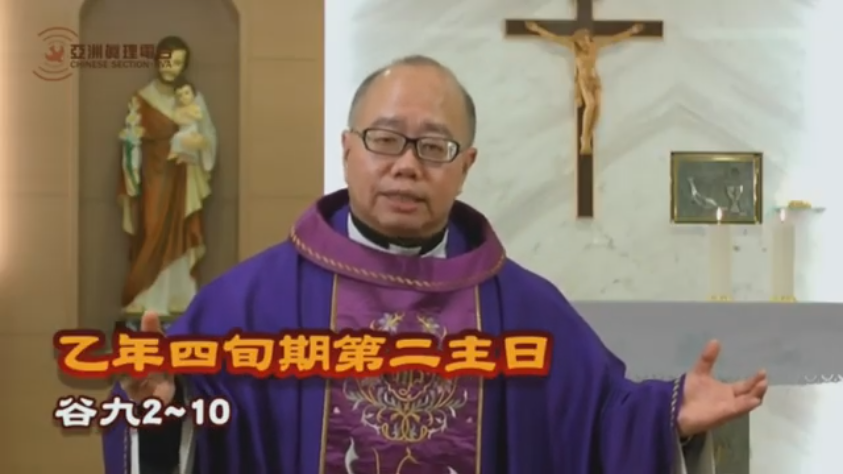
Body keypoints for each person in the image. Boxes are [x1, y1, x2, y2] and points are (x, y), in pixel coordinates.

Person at [102, 55, 767, 474]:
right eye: (385, 139)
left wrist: (666, 417)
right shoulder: (252, 302)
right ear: (347, 149)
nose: (406, 165)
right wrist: (164, 407)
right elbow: (181, 415)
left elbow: (598, 420)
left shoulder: (523, 308)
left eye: (434, 146)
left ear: (466, 165)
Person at [118, 35, 217, 317]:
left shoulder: (191, 98)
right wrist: (131, 163)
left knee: (181, 230)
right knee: (151, 228)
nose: (171, 67)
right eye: (167, 60)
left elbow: (207, 135)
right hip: (153, 174)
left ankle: (179, 296)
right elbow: (132, 139)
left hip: (182, 175)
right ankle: (146, 296)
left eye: (178, 62)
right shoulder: (142, 99)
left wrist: (199, 146)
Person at [524, 22, 644, 155]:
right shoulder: (573, 48)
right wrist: (537, 29)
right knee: (590, 105)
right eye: (580, 42)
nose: (583, 44)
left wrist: (631, 31)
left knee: (598, 110)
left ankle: (588, 135)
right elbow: (554, 38)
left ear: (588, 38)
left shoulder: (595, 45)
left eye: (585, 40)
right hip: (584, 81)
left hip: (595, 79)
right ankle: (584, 139)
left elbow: (614, 39)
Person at [168, 80, 204, 164]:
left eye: (187, 93)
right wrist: (182, 119)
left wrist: (191, 115)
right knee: (177, 138)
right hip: (183, 129)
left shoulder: (195, 107)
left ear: (193, 94)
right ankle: (181, 155)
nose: (184, 97)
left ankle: (178, 153)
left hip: (191, 129)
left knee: (180, 138)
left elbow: (200, 117)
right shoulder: (179, 109)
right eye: (180, 95)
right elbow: (176, 119)